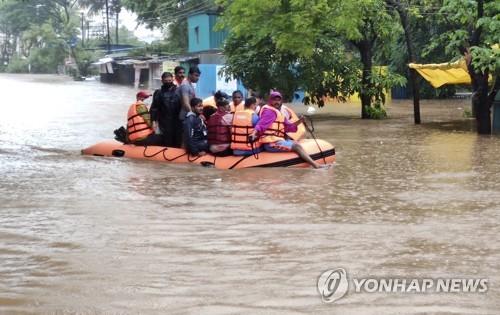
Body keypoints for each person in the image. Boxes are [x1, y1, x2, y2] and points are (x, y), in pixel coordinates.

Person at [249, 91, 324, 168]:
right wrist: (254, 133)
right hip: (271, 143)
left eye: (278, 100)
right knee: (297, 147)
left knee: (294, 142)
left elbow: (289, 127)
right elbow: (261, 124)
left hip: (277, 140)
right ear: (270, 100)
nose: (277, 102)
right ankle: (315, 165)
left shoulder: (278, 112)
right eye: (275, 100)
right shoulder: (269, 112)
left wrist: (299, 121)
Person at [150, 72, 182, 147]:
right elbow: (154, 108)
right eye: (166, 81)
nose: (168, 82)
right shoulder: (158, 93)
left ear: (172, 79)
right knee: (167, 140)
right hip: (164, 121)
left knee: (177, 139)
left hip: (177, 120)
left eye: (169, 81)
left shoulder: (178, 91)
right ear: (162, 81)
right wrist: (153, 121)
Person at [207, 91, 233, 156]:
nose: (228, 107)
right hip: (224, 150)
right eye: (227, 106)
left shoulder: (211, 117)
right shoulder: (229, 116)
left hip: (211, 149)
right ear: (221, 107)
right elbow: (232, 134)